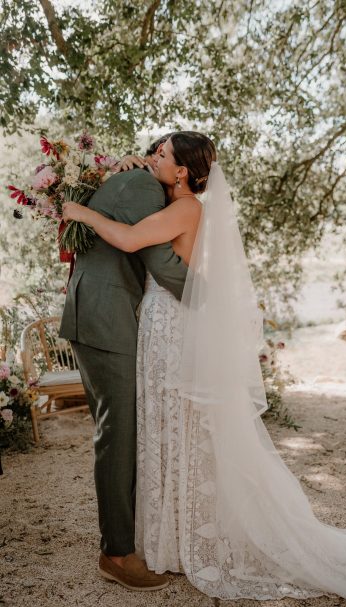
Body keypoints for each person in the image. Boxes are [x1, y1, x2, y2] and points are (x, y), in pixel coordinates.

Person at [63, 131, 346, 607]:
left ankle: (177, 536)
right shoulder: (178, 204)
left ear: (181, 170)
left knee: (176, 429)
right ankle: (171, 533)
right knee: (168, 427)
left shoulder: (186, 209)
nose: (150, 158)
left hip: (168, 323)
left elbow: (133, 241)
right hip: (159, 324)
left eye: (160, 155)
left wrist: (79, 211)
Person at [59, 134, 189, 592]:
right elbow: (160, 259)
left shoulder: (130, 178)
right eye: (157, 151)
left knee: (116, 430)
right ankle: (116, 553)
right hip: (105, 316)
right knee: (118, 434)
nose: (156, 157)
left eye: (164, 154)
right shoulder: (143, 187)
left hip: (95, 312)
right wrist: (214, 298)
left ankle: (126, 537)